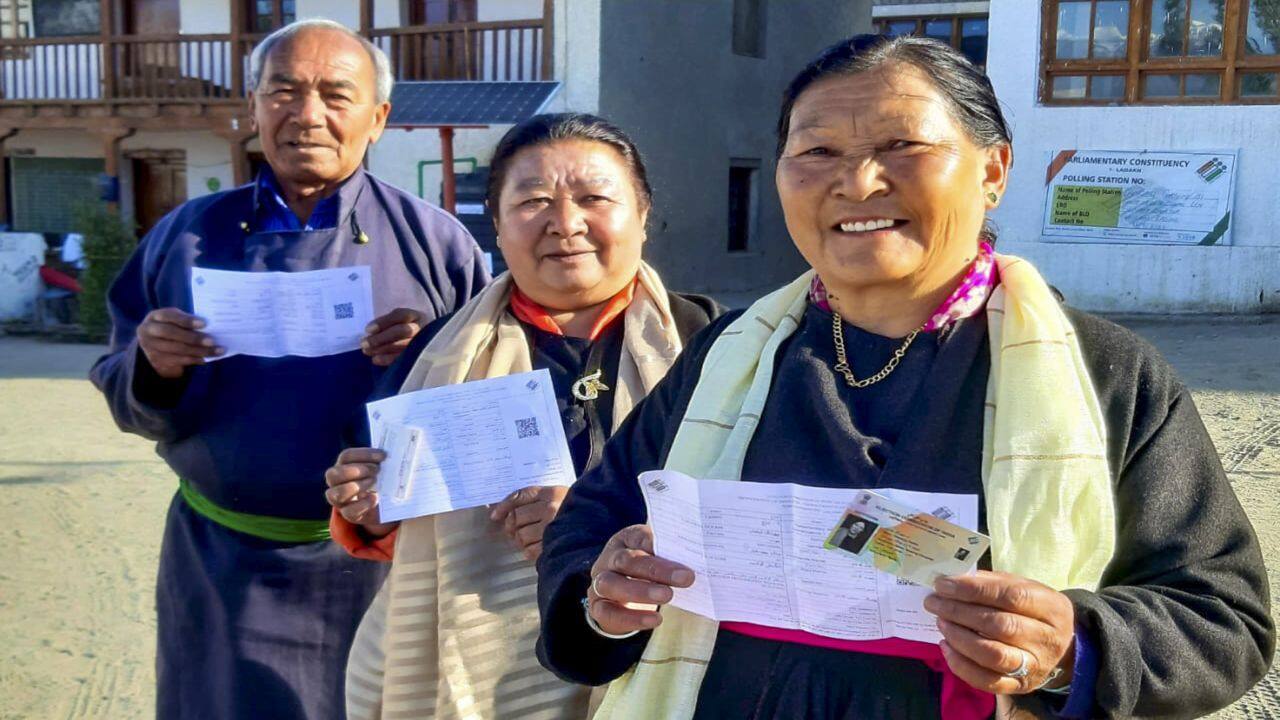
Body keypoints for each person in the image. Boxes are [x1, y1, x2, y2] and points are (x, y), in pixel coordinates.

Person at [536, 35, 1273, 719]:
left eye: (903, 146)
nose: (857, 183)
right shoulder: (729, 357)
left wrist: (1068, 647)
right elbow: (593, 524)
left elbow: (1221, 620)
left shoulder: (1103, 373)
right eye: (817, 150)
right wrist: (606, 597)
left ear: (992, 171)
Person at [88, 19, 488, 720]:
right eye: (284, 91)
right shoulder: (185, 237)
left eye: (336, 94)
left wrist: (430, 361)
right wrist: (153, 367)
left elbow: (487, 417)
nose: (307, 114)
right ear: (253, 107)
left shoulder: (435, 245)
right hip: (220, 567)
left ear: (378, 118)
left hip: (383, 567)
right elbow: (124, 391)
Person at [324, 113, 721, 719]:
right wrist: (371, 512)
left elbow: (748, 505)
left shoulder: (714, 345)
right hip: (475, 668)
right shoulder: (436, 356)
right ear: (497, 222)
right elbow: (392, 521)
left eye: (594, 198)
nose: (565, 223)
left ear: (642, 214)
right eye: (533, 201)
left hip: (653, 652)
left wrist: (585, 525)